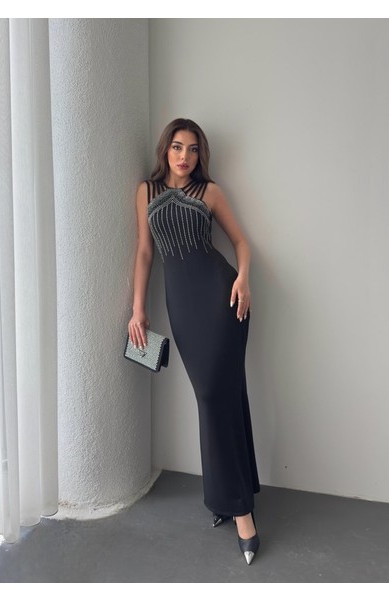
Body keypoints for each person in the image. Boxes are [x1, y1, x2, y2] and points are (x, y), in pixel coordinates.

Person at [128, 118, 261, 565]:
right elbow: (144, 251)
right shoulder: (146, 192)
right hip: (183, 308)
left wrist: (243, 278)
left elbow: (241, 243)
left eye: (192, 149)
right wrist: (138, 309)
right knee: (215, 397)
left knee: (218, 397)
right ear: (165, 150)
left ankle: (240, 510)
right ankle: (229, 495)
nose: (184, 156)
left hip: (225, 300)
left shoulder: (211, 192)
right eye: (177, 147)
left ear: (200, 154)